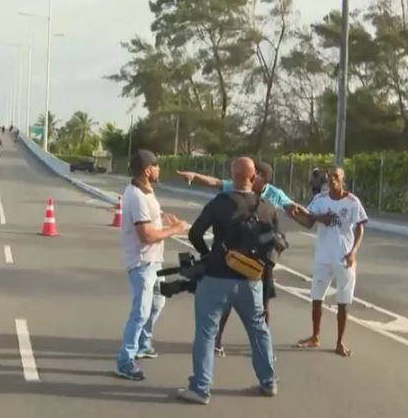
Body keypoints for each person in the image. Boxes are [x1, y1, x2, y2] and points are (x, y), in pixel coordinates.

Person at [178, 157, 280, 405]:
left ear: (231, 176)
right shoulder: (266, 207)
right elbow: (275, 246)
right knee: (258, 330)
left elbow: (195, 233)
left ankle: (201, 388)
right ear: (254, 178)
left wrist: (208, 255)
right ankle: (268, 382)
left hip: (216, 276)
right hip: (251, 280)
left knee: (206, 332)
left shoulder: (219, 202)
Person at [177, 162, 305, 357]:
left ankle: (260, 350)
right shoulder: (238, 190)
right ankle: (223, 343)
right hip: (242, 264)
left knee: (261, 309)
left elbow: (290, 219)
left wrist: (305, 213)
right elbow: (214, 182)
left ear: (260, 177)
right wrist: (195, 175)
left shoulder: (273, 196)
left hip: (249, 266)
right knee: (236, 309)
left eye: (256, 173)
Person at [115, 150, 187, 381]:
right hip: (142, 262)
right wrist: (175, 230)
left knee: (158, 302)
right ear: (147, 170)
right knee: (140, 312)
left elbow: (150, 216)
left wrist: (165, 218)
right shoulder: (136, 195)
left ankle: (143, 344)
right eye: (157, 166)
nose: (159, 170)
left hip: (154, 261)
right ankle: (125, 361)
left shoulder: (145, 191)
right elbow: (145, 235)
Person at [294, 166, 367, 357]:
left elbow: (360, 228)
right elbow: (309, 221)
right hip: (323, 256)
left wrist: (354, 252)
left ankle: (340, 342)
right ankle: (315, 336)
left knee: (343, 301)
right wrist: (295, 214)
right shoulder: (320, 200)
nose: (332, 179)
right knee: (317, 297)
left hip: (344, 257)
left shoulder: (352, 202)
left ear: (343, 179)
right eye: (330, 176)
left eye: (336, 176)